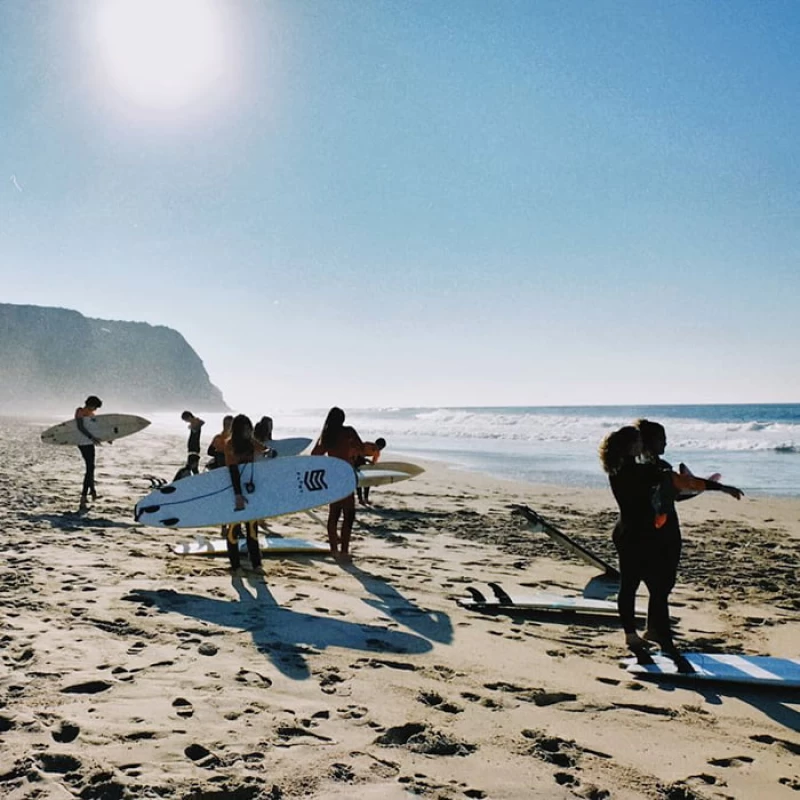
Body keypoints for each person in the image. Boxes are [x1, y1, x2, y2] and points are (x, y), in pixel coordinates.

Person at [599, 425, 743, 657]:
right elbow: (688, 483)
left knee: (629, 586)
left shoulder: (616, 470)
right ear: (630, 447)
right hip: (643, 536)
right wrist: (722, 487)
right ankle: (664, 640)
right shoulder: (647, 472)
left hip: (625, 532)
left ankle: (632, 637)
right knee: (657, 588)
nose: (641, 445)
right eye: (637, 442)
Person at [311, 407, 381, 561]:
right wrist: (373, 449)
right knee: (349, 515)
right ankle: (344, 551)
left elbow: (315, 455)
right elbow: (361, 449)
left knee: (334, 514)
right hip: (346, 476)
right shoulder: (348, 432)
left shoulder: (326, 436)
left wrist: (327, 466)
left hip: (332, 477)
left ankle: (334, 550)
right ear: (343, 419)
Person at [223, 414, 268, 571]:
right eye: (245, 428)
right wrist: (238, 495)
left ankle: (256, 563)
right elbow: (233, 471)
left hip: (251, 489)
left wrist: (270, 453)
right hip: (233, 490)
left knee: (252, 528)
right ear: (238, 430)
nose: (248, 431)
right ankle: (235, 565)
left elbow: (265, 450)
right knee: (234, 528)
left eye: (250, 428)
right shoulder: (230, 445)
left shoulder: (251, 443)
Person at [75, 395, 103, 511]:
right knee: (90, 468)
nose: (95, 410)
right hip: (82, 442)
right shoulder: (80, 411)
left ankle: (92, 492)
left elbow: (95, 429)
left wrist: (108, 438)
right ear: (90, 404)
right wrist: (91, 438)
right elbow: (80, 427)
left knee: (91, 467)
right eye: (95, 407)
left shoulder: (91, 414)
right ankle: (83, 497)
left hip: (89, 442)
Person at [355, 437, 387, 505]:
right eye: (379, 447)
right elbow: (357, 451)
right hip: (355, 458)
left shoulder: (377, 453)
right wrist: (366, 460)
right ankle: (360, 499)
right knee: (359, 480)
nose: (379, 449)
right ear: (375, 444)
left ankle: (366, 499)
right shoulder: (367, 445)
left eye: (381, 449)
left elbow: (373, 464)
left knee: (367, 481)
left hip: (362, 460)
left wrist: (375, 479)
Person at [181, 411, 205, 475]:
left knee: (192, 467)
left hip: (194, 447)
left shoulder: (195, 422)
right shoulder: (194, 423)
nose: (186, 422)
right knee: (193, 467)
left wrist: (191, 425)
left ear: (189, 417)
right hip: (193, 447)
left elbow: (200, 424)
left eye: (186, 420)